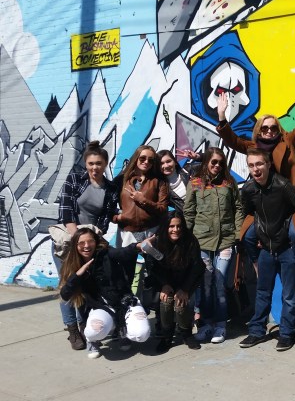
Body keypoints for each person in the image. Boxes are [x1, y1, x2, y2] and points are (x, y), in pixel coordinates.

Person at [215, 78, 295, 286]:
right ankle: (257, 267)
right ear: (259, 130)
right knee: (246, 236)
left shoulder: (288, 141)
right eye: (265, 129)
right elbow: (233, 140)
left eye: (273, 128)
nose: (270, 132)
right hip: (266, 207)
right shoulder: (253, 147)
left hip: (291, 202)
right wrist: (221, 116)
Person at [238, 148, 295, 351]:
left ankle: (286, 333)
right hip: (265, 248)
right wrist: (257, 235)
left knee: (289, 295)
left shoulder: (282, 185)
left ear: (267, 164)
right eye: (251, 165)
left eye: (259, 164)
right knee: (262, 292)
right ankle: (257, 331)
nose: (255, 169)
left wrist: (294, 233)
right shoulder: (248, 189)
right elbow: (248, 212)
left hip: (286, 248)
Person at [56, 140, 120, 351]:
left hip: (90, 245)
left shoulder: (110, 188)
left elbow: (106, 220)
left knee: (86, 287)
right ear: (86, 163)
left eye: (99, 163)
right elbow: (66, 211)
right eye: (91, 163)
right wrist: (80, 240)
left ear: (105, 164)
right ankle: (72, 330)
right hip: (69, 243)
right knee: (68, 287)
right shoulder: (75, 179)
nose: (95, 168)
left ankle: (85, 326)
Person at [59, 226, 151, 359]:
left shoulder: (106, 254)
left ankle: (122, 329)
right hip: (101, 306)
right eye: (81, 243)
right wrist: (78, 275)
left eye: (90, 241)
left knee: (141, 334)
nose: (86, 246)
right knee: (94, 332)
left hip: (125, 301)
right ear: (75, 246)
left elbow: (122, 252)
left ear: (96, 242)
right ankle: (93, 340)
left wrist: (137, 246)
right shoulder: (72, 265)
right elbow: (65, 294)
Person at [184, 147, 243, 344]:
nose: (217, 166)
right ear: (206, 162)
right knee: (205, 285)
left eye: (220, 162)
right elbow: (189, 212)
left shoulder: (229, 183)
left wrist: (237, 234)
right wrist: (188, 240)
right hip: (201, 241)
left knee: (219, 283)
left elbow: (238, 208)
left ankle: (220, 325)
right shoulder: (195, 184)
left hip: (225, 240)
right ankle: (206, 325)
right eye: (213, 162)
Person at [144, 212, 205, 353]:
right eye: (171, 226)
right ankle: (166, 336)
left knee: (180, 303)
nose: (175, 230)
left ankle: (187, 334)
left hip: (187, 279)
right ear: (166, 227)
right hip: (165, 280)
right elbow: (152, 267)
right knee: (166, 302)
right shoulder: (157, 242)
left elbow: (196, 267)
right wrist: (164, 284)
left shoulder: (190, 241)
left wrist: (185, 289)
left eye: (179, 226)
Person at [114, 145, 169, 291]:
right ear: (136, 158)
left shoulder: (159, 181)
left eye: (151, 160)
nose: (146, 162)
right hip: (127, 233)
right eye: (142, 158)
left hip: (151, 233)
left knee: (154, 269)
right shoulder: (122, 180)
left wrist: (143, 200)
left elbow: (162, 209)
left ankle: (152, 306)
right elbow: (108, 204)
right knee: (125, 272)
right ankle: (126, 308)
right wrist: (117, 217)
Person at [157, 150, 191, 214]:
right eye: (161, 163)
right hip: (186, 219)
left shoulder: (190, 171)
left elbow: (209, 165)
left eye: (169, 161)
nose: (166, 166)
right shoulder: (159, 187)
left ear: (175, 162)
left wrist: (197, 157)